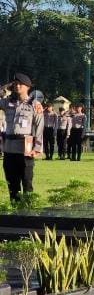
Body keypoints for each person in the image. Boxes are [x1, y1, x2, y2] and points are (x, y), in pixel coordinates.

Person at [0, 73, 44, 201]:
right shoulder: (7, 102)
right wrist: (4, 88)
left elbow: (39, 127)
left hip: (26, 149)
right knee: (12, 186)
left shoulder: (34, 105)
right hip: (9, 149)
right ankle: (14, 215)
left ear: (28, 87)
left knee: (27, 184)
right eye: (15, 84)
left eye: (20, 84)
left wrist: (37, 148)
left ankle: (28, 214)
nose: (17, 86)